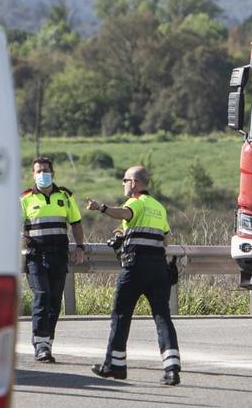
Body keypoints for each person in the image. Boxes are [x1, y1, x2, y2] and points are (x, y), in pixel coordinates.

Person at [85, 166, 181, 386]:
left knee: (121, 314)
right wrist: (128, 233)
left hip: (135, 267)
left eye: (125, 180)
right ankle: (172, 368)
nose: (123, 184)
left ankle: (115, 366)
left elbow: (124, 213)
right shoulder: (159, 207)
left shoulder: (135, 202)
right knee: (162, 317)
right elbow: (166, 240)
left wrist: (101, 207)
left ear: (135, 183)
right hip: (158, 268)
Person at [20, 157, 85, 363]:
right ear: (33, 175)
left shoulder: (65, 196)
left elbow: (76, 222)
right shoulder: (25, 198)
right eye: (38, 171)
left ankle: (47, 341)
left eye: (45, 170)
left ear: (53, 173)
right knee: (42, 296)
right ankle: (40, 345)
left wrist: (80, 246)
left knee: (55, 301)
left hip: (59, 255)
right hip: (36, 256)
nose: (42, 174)